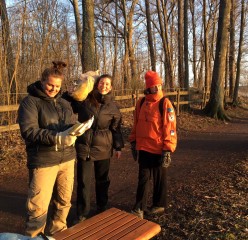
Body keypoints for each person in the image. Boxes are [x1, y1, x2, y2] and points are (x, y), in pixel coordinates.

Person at [18, 61, 92, 237]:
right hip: (44, 161)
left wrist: (75, 131)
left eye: (57, 86)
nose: (53, 89)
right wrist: (57, 137)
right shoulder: (30, 102)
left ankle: (58, 234)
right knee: (38, 207)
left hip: (67, 158)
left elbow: (68, 123)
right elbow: (29, 131)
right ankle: (34, 236)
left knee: (63, 203)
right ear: (42, 81)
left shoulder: (64, 102)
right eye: (50, 84)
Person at [63, 74, 124, 223]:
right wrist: (69, 91)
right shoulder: (85, 99)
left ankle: (102, 207)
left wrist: (118, 147)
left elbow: (116, 129)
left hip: (103, 148)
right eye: (102, 83)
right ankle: (82, 213)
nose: (104, 86)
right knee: (83, 181)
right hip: (84, 146)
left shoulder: (114, 107)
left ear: (111, 87)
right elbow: (67, 101)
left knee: (102, 180)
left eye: (108, 84)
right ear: (97, 84)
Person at [129, 70, 177, 219]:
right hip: (143, 148)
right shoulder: (141, 102)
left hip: (159, 149)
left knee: (159, 178)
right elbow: (135, 124)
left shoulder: (165, 103)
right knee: (143, 179)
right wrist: (133, 141)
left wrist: (168, 149)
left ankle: (159, 204)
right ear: (148, 87)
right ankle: (139, 208)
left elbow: (170, 127)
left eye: (159, 85)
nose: (158, 88)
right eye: (155, 86)